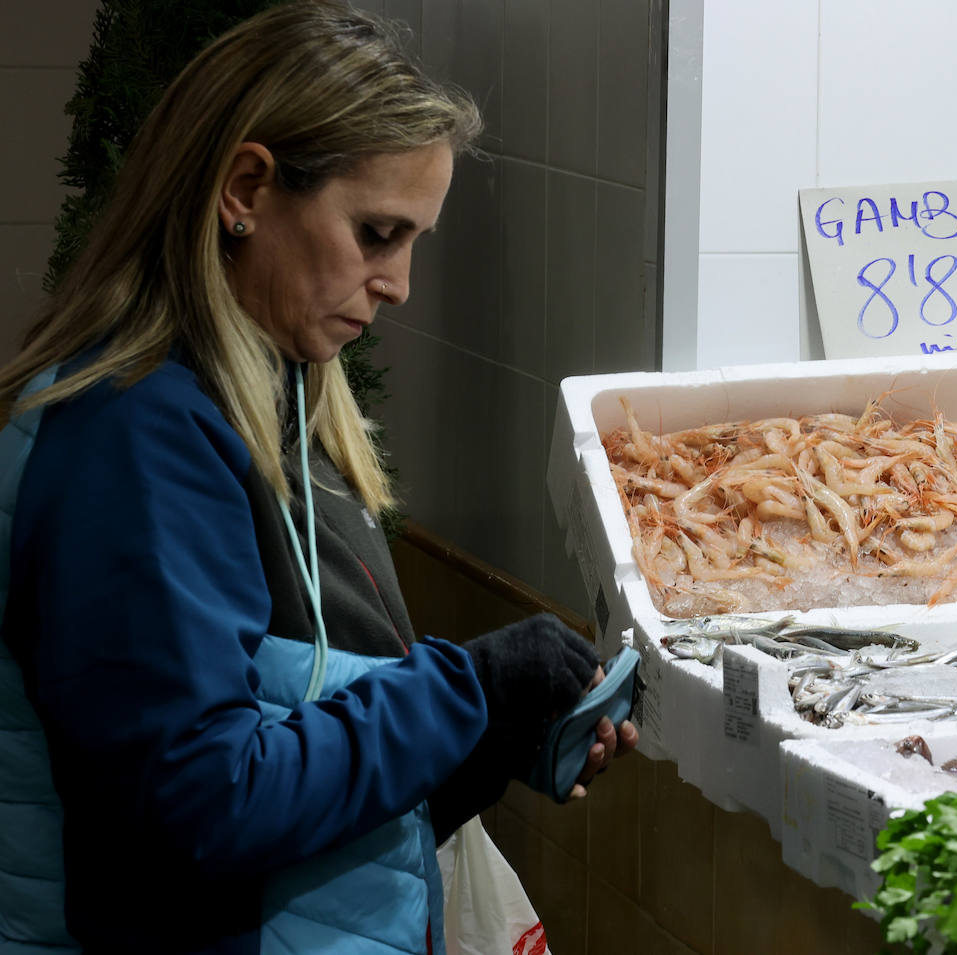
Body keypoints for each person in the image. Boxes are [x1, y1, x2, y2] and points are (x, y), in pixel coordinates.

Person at [0, 2, 636, 952]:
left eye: (413, 241)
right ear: (245, 189)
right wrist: (466, 690)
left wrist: (490, 737)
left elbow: (311, 816)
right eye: (376, 233)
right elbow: (198, 805)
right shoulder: (135, 436)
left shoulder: (277, 405)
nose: (399, 284)